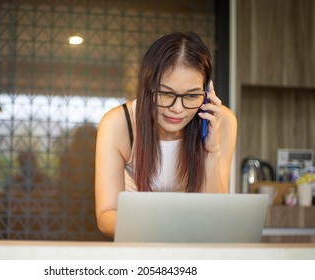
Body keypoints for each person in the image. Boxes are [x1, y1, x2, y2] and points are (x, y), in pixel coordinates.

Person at [95, 32, 237, 238]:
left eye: (190, 96)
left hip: (195, 245)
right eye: (167, 93)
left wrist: (212, 150)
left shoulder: (222, 122)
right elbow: (106, 216)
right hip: (137, 242)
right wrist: (168, 228)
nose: (178, 109)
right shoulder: (118, 124)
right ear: (148, 88)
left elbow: (215, 216)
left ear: (206, 92)